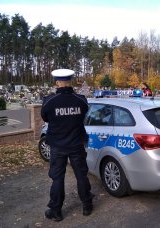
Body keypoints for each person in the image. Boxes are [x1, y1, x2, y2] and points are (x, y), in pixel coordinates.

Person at [41, 69, 94, 222]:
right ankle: (87, 205)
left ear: (57, 82)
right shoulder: (80, 99)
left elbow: (45, 116)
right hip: (76, 144)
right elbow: (84, 113)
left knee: (57, 178)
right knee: (81, 175)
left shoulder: (49, 101)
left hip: (57, 146)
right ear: (70, 81)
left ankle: (56, 210)